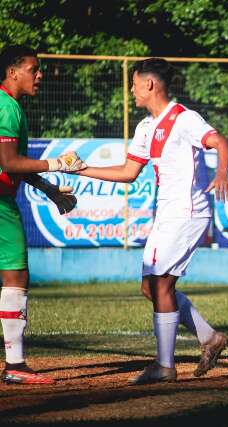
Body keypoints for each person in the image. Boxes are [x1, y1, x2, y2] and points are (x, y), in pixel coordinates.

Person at [75, 58, 228, 384]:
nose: (131, 90)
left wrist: (221, 171)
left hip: (188, 211)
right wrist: (80, 168)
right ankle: (210, 338)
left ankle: (164, 366)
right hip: (166, 214)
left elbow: (220, 142)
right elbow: (128, 172)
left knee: (161, 283)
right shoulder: (146, 127)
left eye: (133, 84)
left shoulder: (184, 118)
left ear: (150, 84)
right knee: (150, 287)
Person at [0, 45, 85, 385]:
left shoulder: (11, 106)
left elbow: (14, 163)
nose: (40, 75)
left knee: (14, 277)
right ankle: (16, 366)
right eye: (33, 69)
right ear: (12, 72)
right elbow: (8, 163)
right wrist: (57, 163)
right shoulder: (7, 108)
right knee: (16, 277)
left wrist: (50, 190)